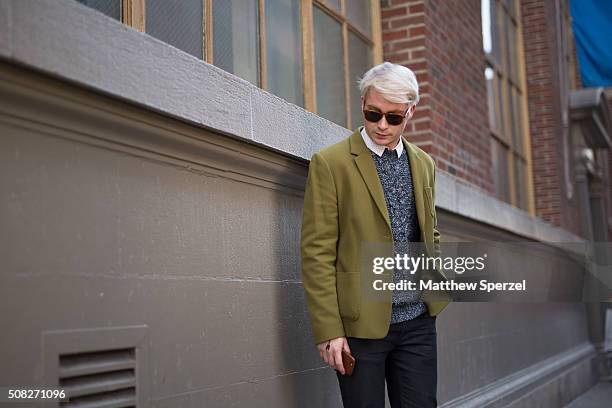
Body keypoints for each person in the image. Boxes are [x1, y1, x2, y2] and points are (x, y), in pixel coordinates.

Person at [300, 62, 452, 407]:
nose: (382, 125)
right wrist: (329, 330)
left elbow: (430, 231)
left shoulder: (424, 163)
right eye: (373, 114)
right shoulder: (331, 163)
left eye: (394, 117)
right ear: (363, 103)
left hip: (417, 322)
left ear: (410, 112)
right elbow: (317, 254)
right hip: (359, 328)